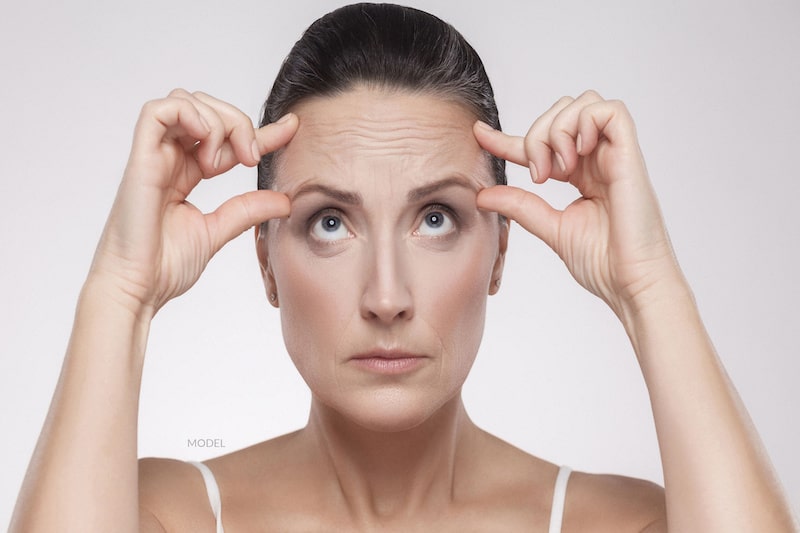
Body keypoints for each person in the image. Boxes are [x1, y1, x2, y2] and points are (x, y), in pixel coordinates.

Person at [9, 3, 797, 532]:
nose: (386, 296)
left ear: (499, 249)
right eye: (329, 221)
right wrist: (120, 291)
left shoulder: (612, 523)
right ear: (266, 261)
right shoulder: (165, 516)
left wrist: (650, 284)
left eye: (435, 218)